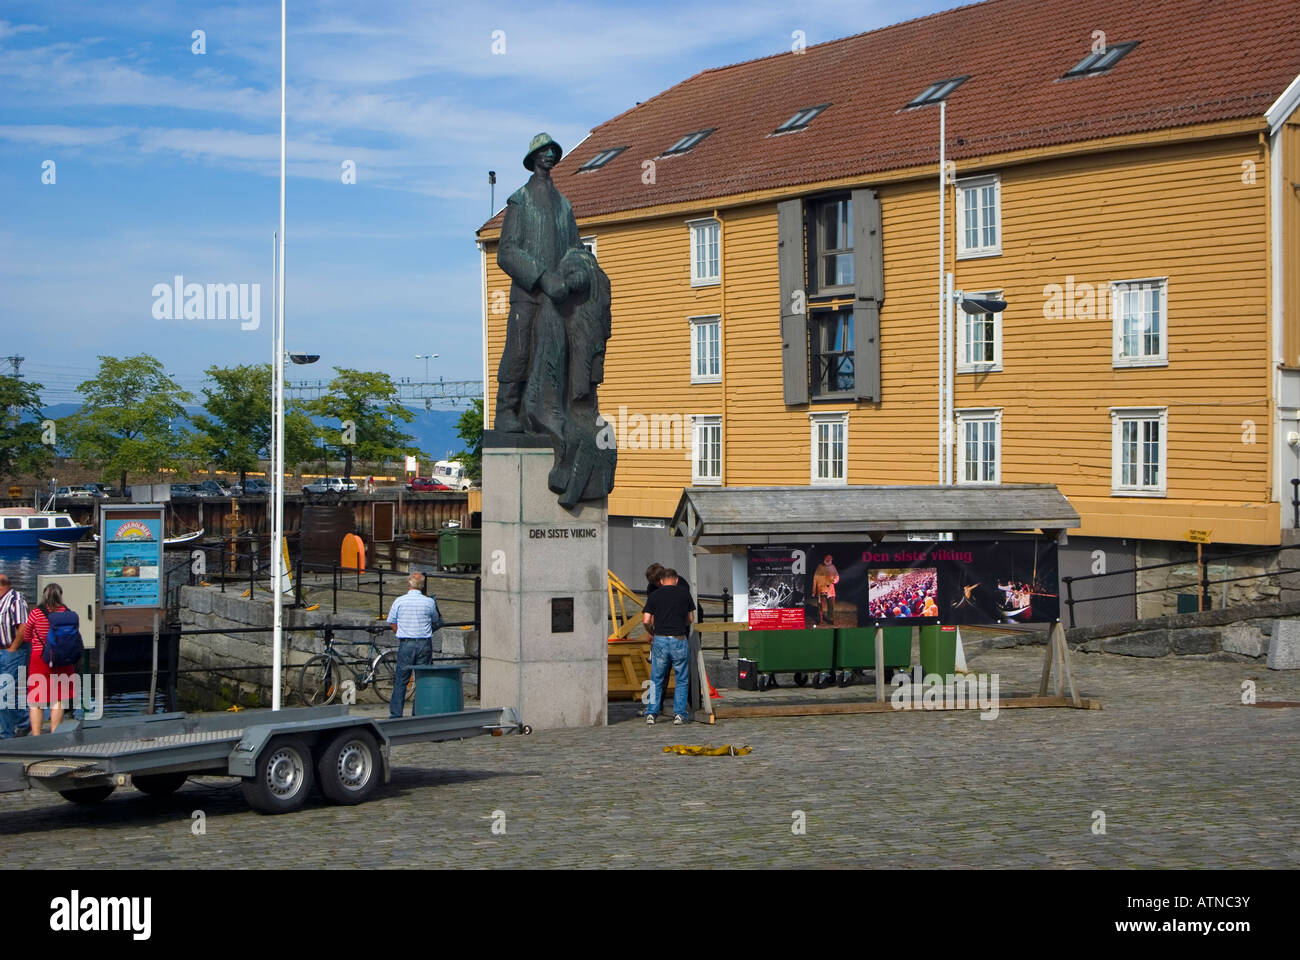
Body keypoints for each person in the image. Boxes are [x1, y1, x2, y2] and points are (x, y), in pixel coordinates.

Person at [494, 132, 583, 434]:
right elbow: (506, 252)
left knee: (556, 355)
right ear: (533, 158)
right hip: (528, 293)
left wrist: (575, 275)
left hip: (557, 298)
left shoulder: (564, 205)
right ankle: (507, 409)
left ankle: (547, 411)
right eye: (543, 151)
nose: (548, 155)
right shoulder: (520, 200)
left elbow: (575, 248)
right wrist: (542, 276)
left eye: (552, 151)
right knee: (519, 351)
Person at [385, 572, 442, 718]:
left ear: (408, 583)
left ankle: (396, 714)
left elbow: (392, 622)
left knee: (401, 680)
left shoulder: (399, 601)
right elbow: (435, 619)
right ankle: (418, 713)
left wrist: (402, 631)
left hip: (406, 643)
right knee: (423, 680)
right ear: (422, 586)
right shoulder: (429, 602)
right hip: (424, 643)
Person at [641, 568, 694, 725]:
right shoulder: (684, 594)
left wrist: (652, 631)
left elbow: (646, 619)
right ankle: (679, 714)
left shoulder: (655, 595)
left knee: (656, 677)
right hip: (678, 639)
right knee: (681, 679)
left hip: (660, 640)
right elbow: (690, 618)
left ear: (661, 581)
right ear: (676, 580)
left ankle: (651, 713)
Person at [24, 583, 77, 735]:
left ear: (44, 595)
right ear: (60, 595)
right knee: (58, 698)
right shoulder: (68, 613)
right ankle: (55, 733)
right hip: (63, 659)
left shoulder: (36, 613)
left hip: (40, 658)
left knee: (36, 699)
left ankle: (36, 736)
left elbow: (27, 635)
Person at [0, 574, 31, 738]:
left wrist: (13, 648)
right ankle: (24, 721)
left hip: (13, 651)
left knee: (3, 692)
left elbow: (24, 627)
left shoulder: (16, 599)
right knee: (7, 692)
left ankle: (6, 734)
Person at [812, 554, 840, 626]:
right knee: (820, 606)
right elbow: (815, 579)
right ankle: (819, 619)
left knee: (831, 606)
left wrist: (835, 580)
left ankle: (830, 619)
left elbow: (837, 576)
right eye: (828, 560)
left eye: (830, 560)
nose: (830, 561)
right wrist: (814, 591)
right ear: (825, 560)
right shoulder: (820, 567)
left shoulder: (833, 567)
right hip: (821, 589)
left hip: (830, 590)